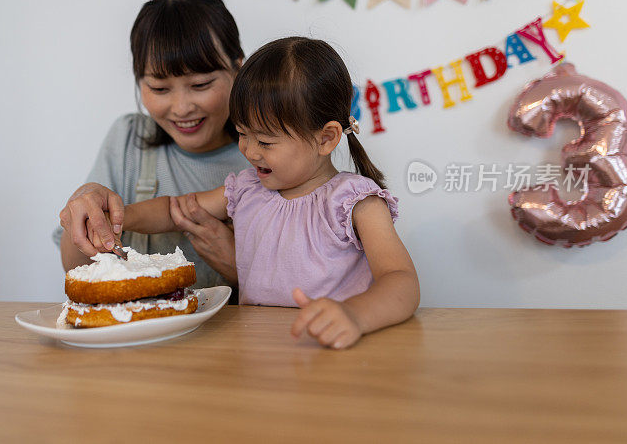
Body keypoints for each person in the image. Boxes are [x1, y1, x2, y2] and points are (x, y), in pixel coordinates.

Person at [116, 37, 420, 349]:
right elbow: (175, 210)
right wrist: (120, 215)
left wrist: (355, 316)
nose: (248, 150)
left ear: (326, 138)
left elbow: (401, 281)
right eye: (242, 134)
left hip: (335, 354)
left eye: (265, 141)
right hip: (260, 354)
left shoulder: (354, 203)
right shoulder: (247, 189)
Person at [54, 0, 250, 289]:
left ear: (238, 69)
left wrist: (241, 268)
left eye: (200, 85)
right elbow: (76, 269)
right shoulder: (128, 141)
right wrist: (84, 209)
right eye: (159, 89)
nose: (182, 107)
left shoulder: (271, 157)